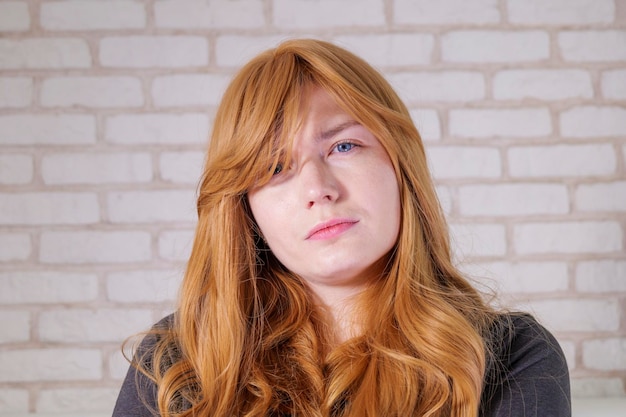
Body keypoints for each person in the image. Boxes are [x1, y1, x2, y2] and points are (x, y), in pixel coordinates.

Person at [113, 39, 570, 417]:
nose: (318, 188)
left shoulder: (511, 356)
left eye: (344, 146)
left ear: (399, 164)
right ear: (245, 209)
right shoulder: (174, 364)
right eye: (274, 168)